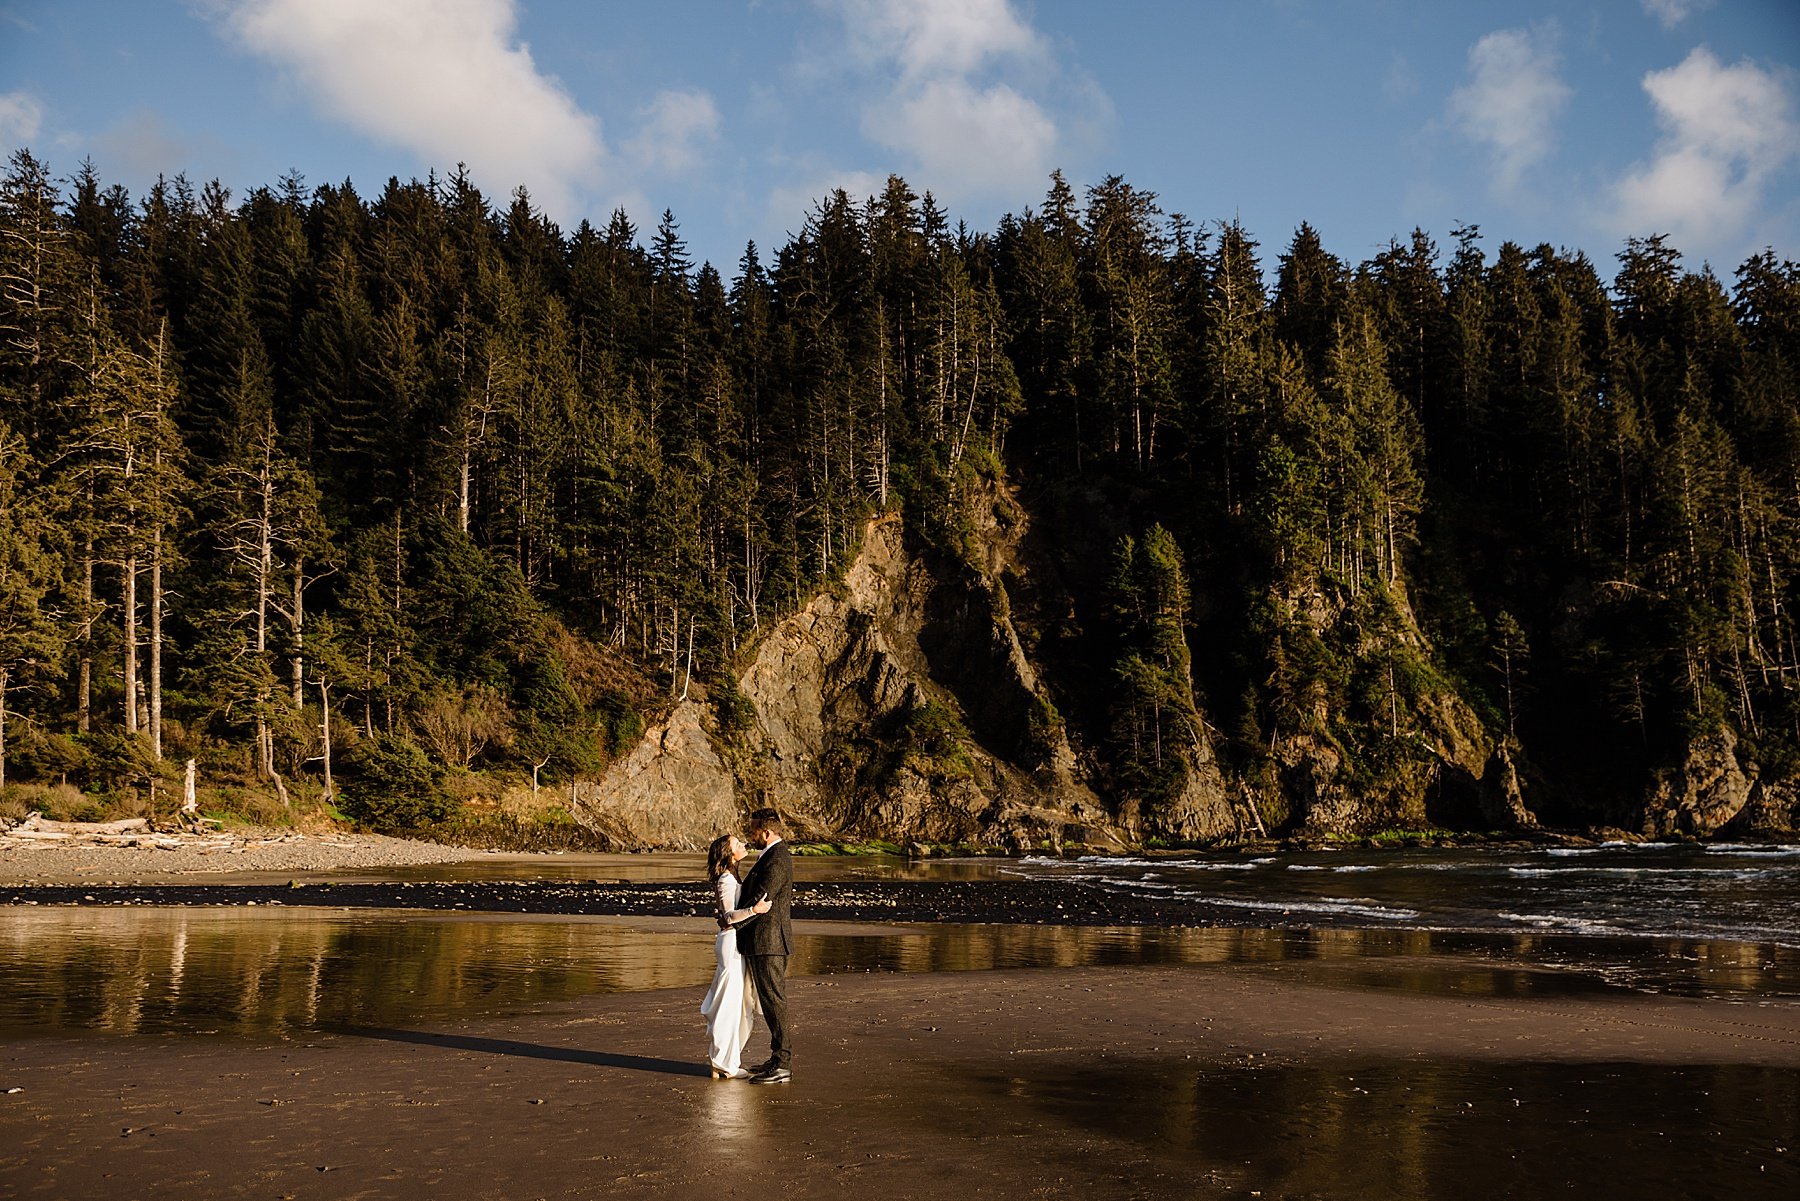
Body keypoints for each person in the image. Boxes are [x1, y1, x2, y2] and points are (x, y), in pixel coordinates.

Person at [700, 833, 769, 1079]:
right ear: (729, 854)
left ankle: (726, 1061)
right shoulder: (727, 880)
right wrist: (754, 910)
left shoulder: (731, 877)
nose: (743, 845)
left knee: (737, 1004)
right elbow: (729, 917)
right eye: (737, 844)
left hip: (732, 942)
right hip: (730, 943)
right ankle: (723, 1063)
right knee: (729, 1004)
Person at [736, 807, 794, 1084]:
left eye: (754, 830)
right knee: (770, 1001)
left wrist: (732, 922)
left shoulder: (778, 858)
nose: (751, 835)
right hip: (763, 940)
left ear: (767, 831)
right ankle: (777, 1058)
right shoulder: (769, 856)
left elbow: (763, 898)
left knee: (774, 1001)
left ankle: (782, 1064)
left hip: (769, 941)